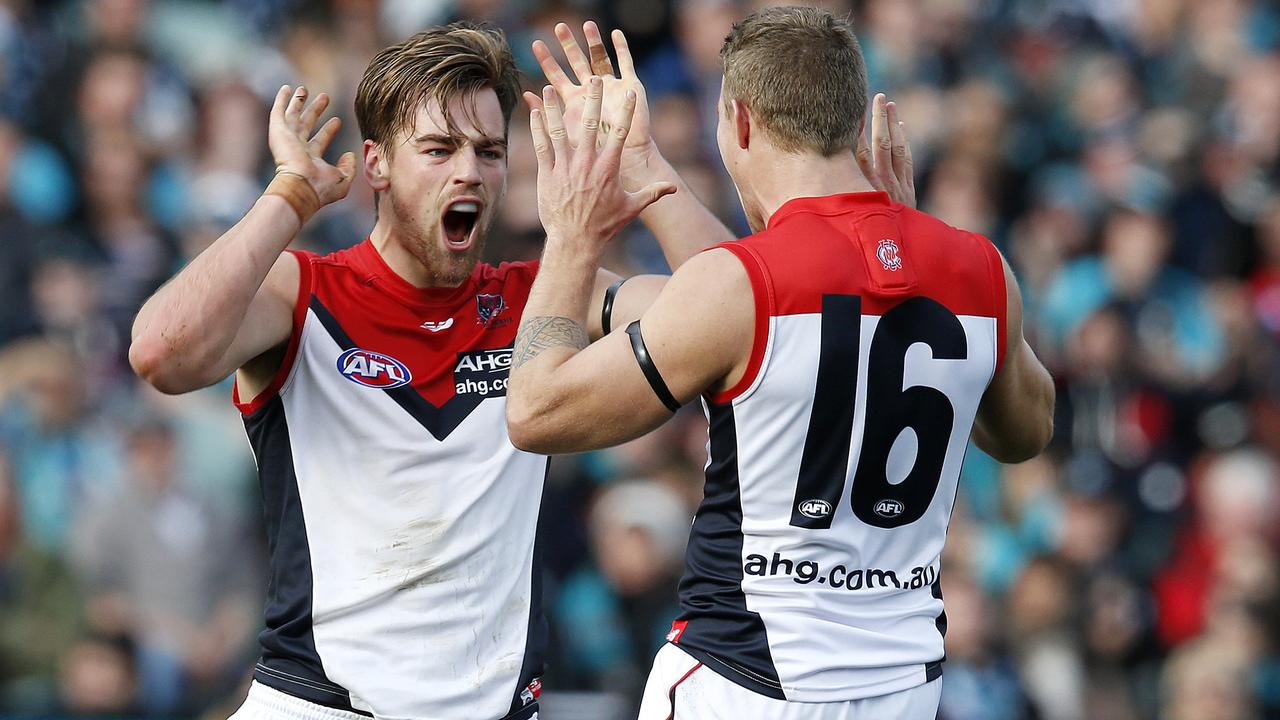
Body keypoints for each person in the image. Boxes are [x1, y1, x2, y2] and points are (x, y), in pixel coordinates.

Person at [128, 20, 734, 720]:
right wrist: (290, 195)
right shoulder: (306, 292)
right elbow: (161, 353)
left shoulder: (544, 294)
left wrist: (643, 165)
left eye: (488, 151)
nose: (468, 171)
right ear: (378, 164)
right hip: (317, 706)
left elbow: (733, 315)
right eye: (439, 149)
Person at [505, 6, 1056, 719]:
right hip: (900, 684)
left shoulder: (741, 287)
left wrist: (572, 236)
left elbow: (536, 410)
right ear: (858, 125)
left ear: (737, 122)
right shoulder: (980, 268)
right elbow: (1025, 433)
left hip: (746, 677)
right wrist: (649, 171)